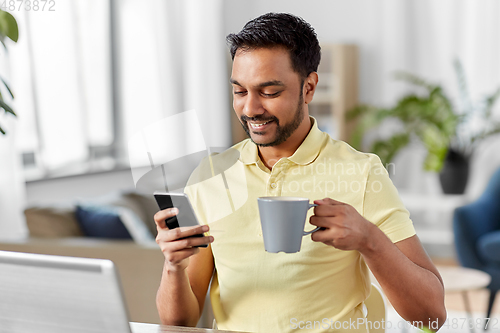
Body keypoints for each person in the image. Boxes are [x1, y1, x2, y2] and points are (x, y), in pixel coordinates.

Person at [154, 12, 446, 332]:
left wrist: (369, 240)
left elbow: (431, 314)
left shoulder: (361, 173)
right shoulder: (210, 175)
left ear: (309, 87)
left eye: (269, 92)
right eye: (240, 91)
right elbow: (178, 322)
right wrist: (173, 266)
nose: (250, 108)